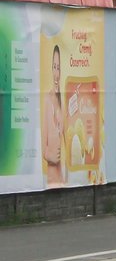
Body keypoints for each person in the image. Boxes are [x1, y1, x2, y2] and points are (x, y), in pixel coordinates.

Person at [42, 44, 65, 186]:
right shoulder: (47, 100)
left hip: (64, 176)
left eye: (59, 68)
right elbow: (43, 146)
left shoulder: (63, 100)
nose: (56, 73)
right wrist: (49, 155)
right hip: (52, 177)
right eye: (54, 67)